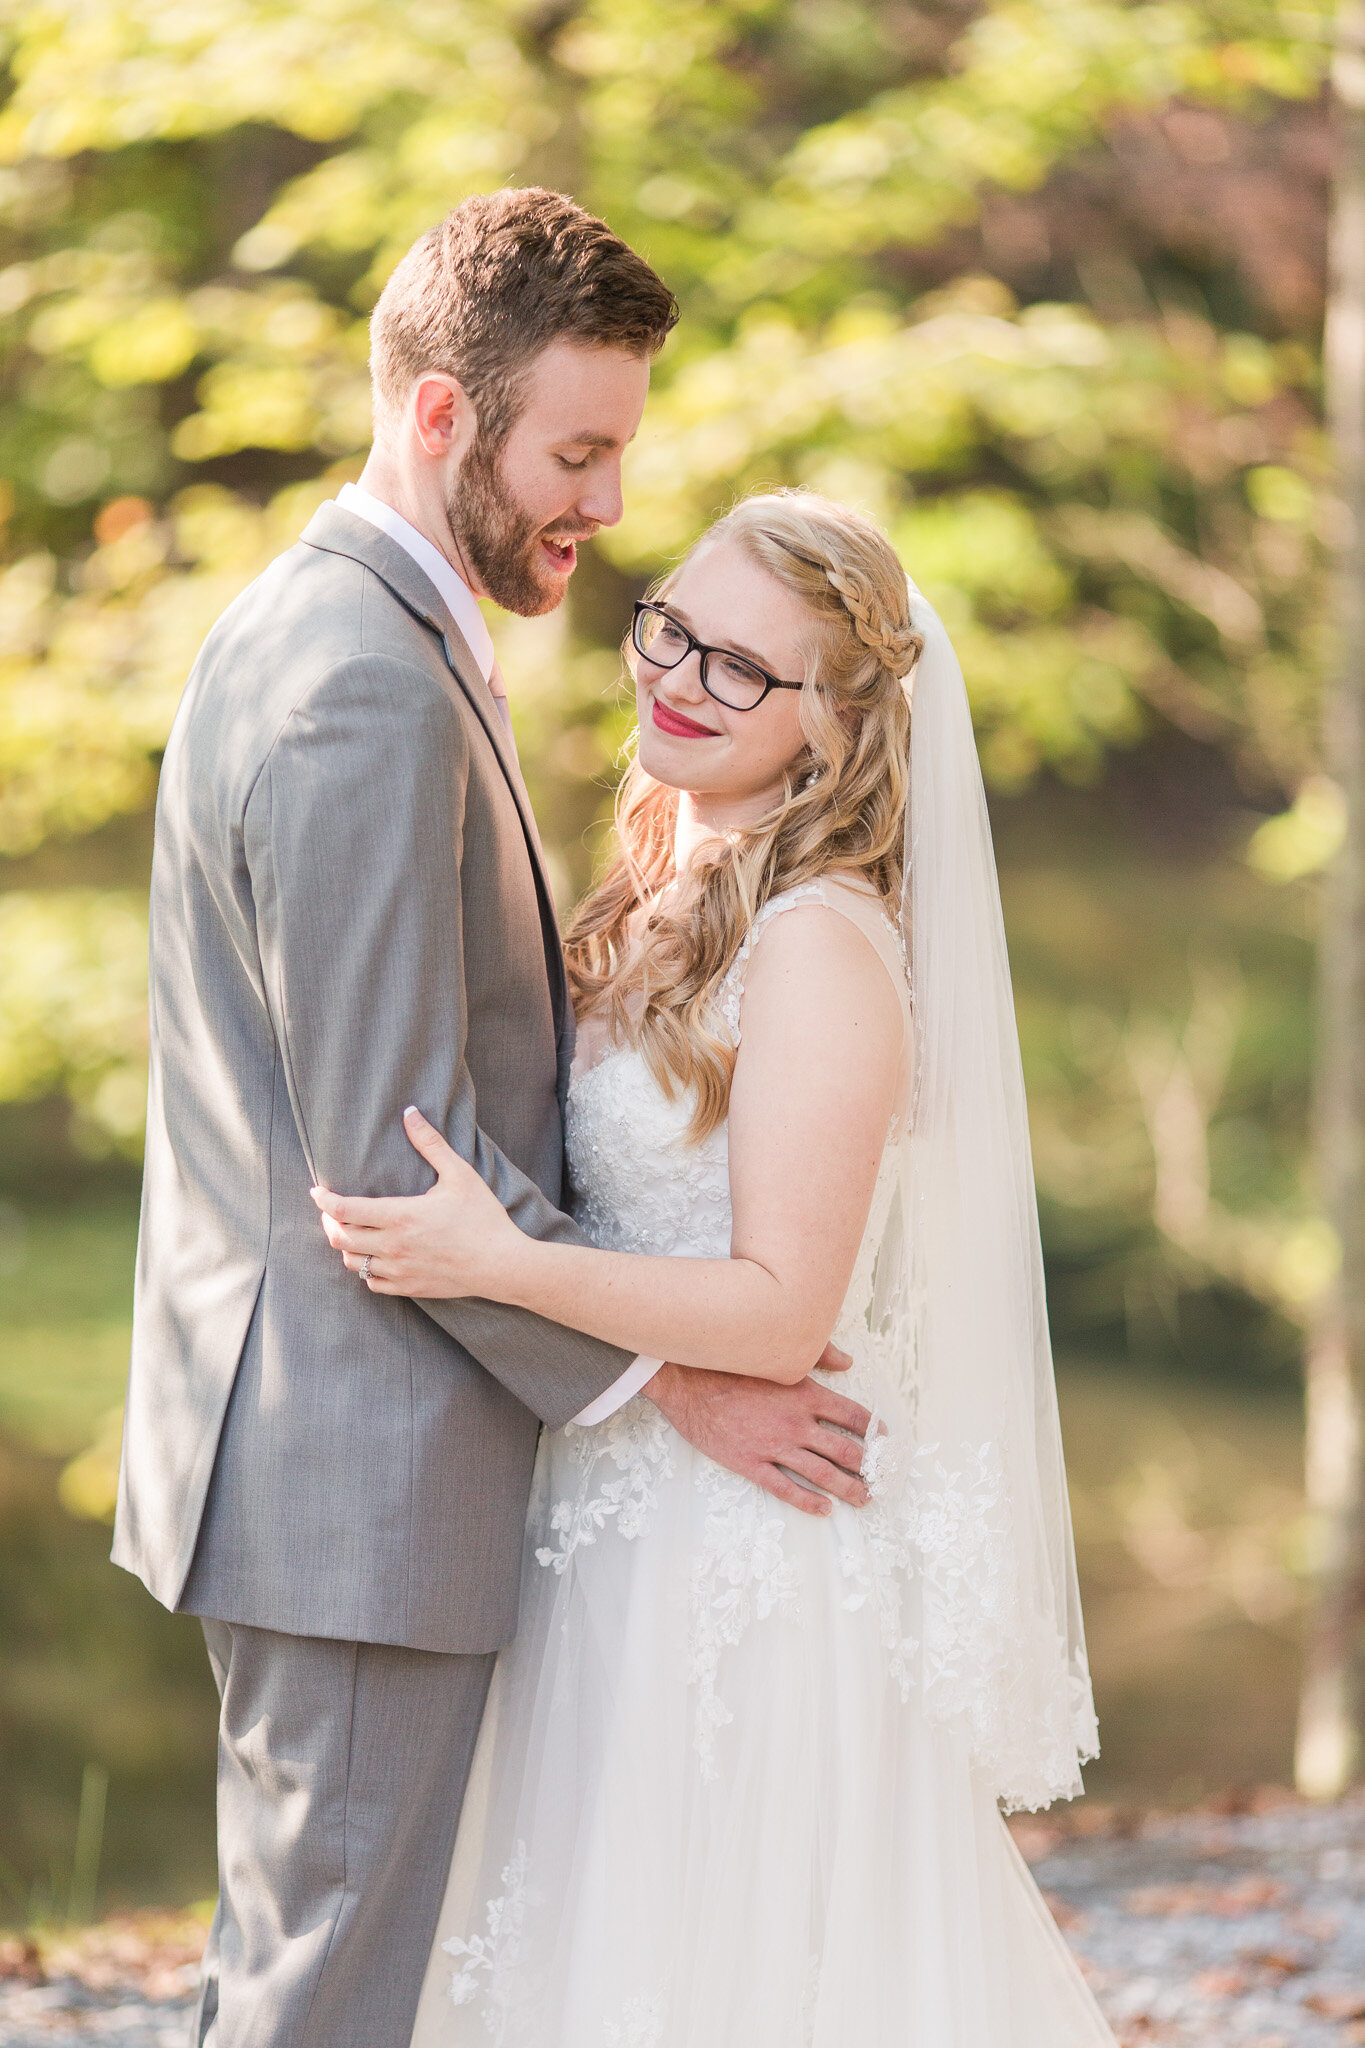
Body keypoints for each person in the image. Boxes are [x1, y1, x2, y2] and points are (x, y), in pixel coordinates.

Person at [112, 189, 873, 2048]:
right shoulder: (361, 686)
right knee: (324, 2008)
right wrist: (673, 1383)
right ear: (443, 416)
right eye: (578, 450)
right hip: (350, 1472)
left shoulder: (353, 628)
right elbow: (395, 1170)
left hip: (336, 1467)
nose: (605, 507)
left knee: (315, 1981)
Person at [313, 490, 1118, 2045]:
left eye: (742, 668)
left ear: (833, 727)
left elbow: (781, 1307)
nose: (677, 677)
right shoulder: (660, 881)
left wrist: (503, 1260)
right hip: (611, 1510)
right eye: (673, 625)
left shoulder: (816, 940)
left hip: (741, 1557)